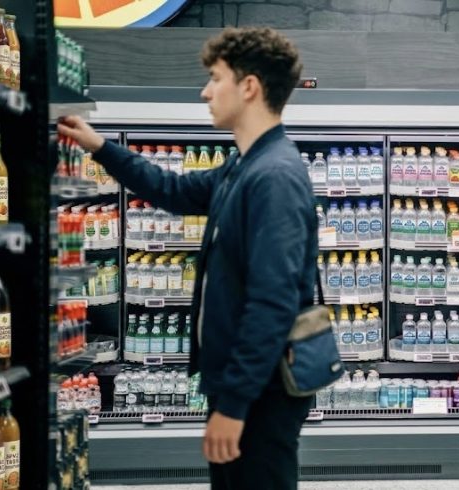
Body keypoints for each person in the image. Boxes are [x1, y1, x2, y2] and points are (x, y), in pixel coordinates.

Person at [57, 27, 316, 490]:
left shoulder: (273, 176)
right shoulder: (244, 166)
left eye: (215, 78)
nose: (205, 91)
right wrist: (100, 147)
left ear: (249, 87)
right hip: (243, 385)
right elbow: (173, 190)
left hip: (262, 392)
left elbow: (272, 303)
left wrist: (234, 406)